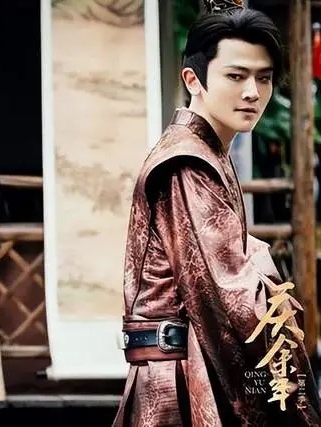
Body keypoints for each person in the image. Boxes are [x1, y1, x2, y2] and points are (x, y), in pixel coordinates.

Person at [113, 1, 321, 426]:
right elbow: (235, 302)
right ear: (194, 79)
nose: (252, 92)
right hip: (178, 386)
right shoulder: (188, 162)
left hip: (192, 373)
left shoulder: (206, 151)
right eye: (235, 76)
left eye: (264, 78)